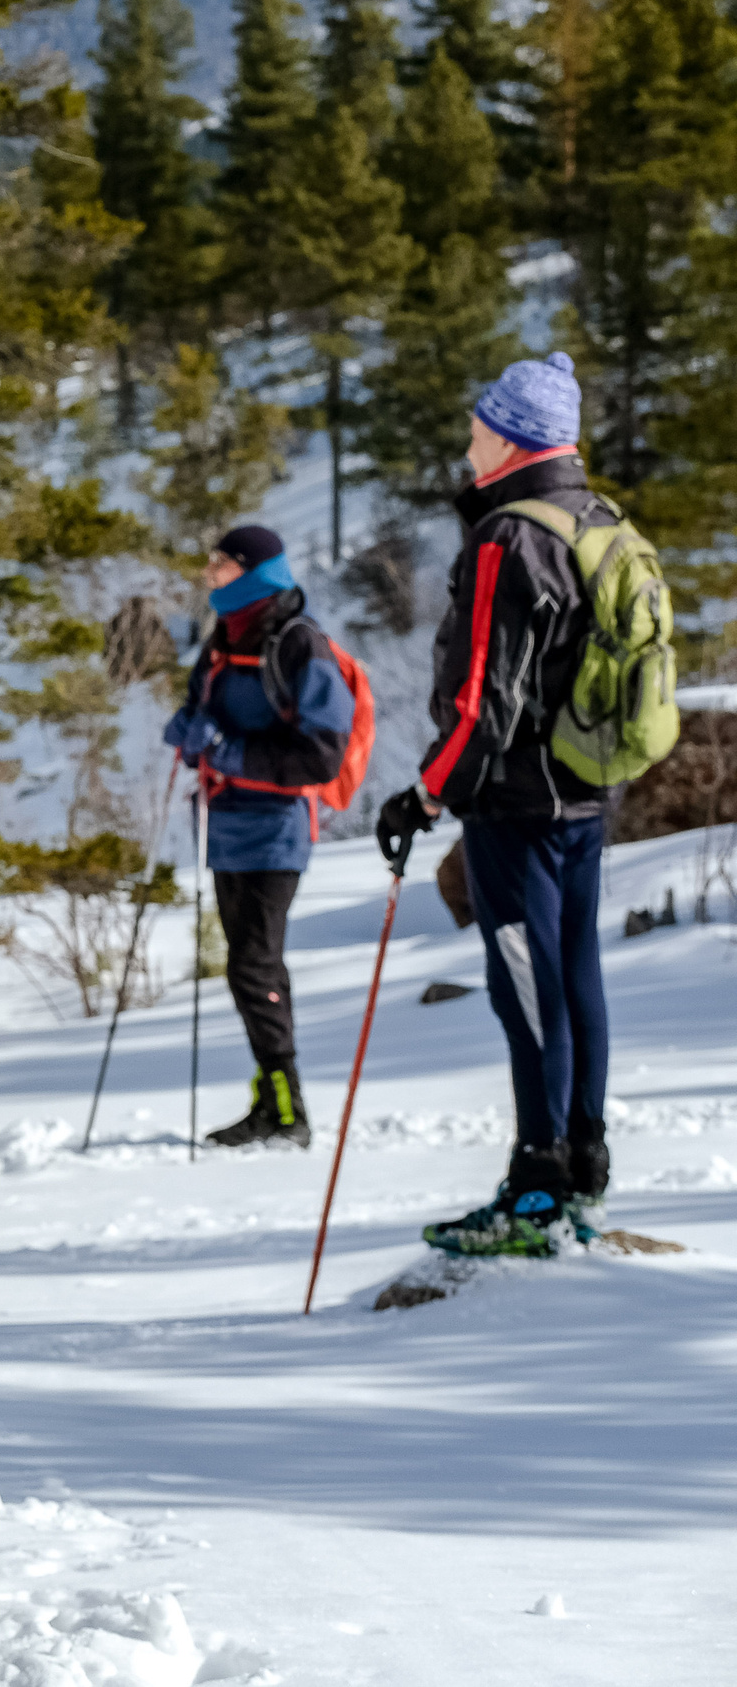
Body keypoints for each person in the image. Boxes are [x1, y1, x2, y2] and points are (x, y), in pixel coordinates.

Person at [375, 352, 614, 1257]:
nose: (469, 443)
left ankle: (538, 1187)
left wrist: (424, 794)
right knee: (574, 979)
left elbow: (483, 700)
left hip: (515, 806)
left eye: (480, 427)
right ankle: (582, 1160)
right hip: (585, 798)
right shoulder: (595, 521)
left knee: (528, 990)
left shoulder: (509, 539)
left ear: (512, 437)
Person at [162, 525, 355, 1149]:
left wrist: (229, 751)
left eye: (220, 563)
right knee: (249, 968)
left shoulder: (300, 644)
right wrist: (189, 729)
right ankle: (274, 1099)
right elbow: (201, 708)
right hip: (224, 828)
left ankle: (287, 1107)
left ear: (253, 571)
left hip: (276, 831)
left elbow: (324, 756)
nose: (209, 573)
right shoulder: (227, 637)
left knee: (254, 965)